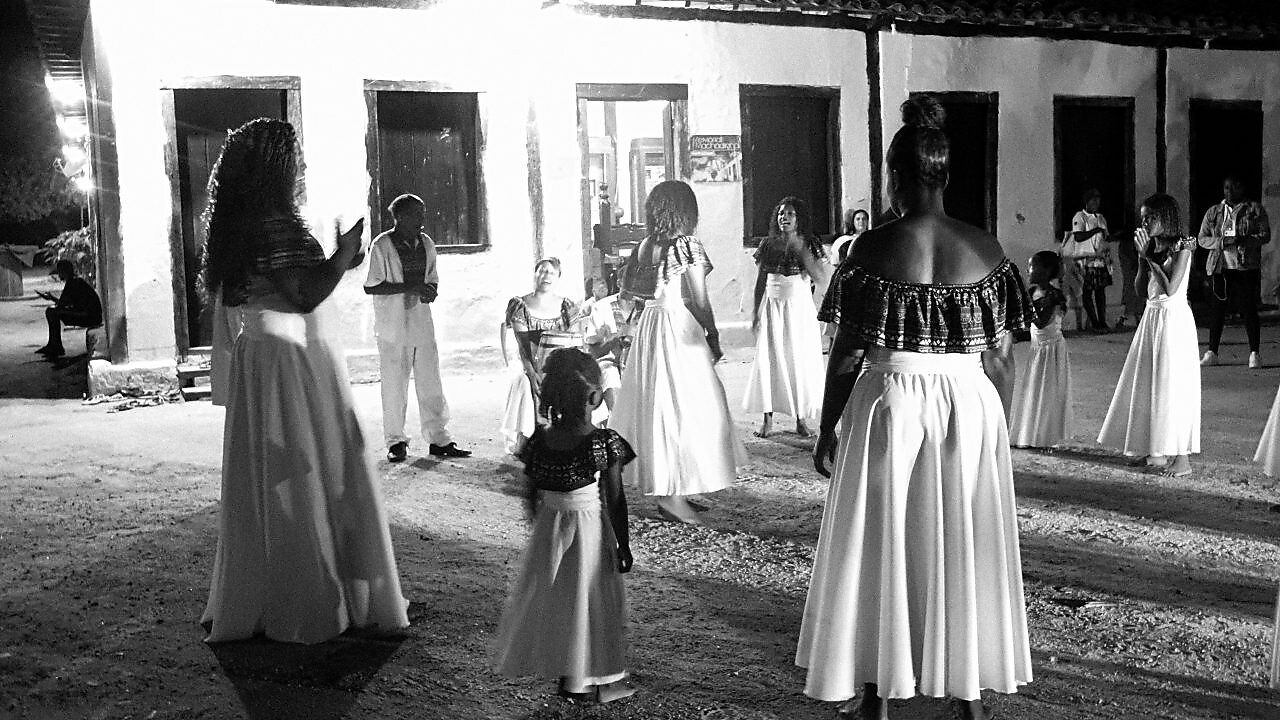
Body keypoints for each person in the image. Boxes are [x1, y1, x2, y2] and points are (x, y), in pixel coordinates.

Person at [799, 97, 1033, 720]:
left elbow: (848, 355)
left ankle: (879, 691)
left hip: (892, 401)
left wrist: (828, 427)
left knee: (884, 538)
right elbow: (1002, 358)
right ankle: (969, 697)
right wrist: (999, 428)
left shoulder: (869, 252)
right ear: (946, 177)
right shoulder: (987, 250)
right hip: (967, 402)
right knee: (963, 535)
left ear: (894, 177)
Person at [199, 118, 408, 644]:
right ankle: (309, 602)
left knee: (271, 478)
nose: (302, 167)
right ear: (277, 167)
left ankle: (266, 595)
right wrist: (342, 256)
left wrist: (340, 260)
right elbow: (303, 294)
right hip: (291, 360)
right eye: (294, 158)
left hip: (260, 356)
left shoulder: (239, 225)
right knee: (303, 473)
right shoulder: (276, 223)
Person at [492, 348, 636, 704]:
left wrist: (543, 526)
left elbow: (531, 490)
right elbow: (615, 498)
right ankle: (589, 682)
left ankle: (568, 675)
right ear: (595, 397)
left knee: (559, 601)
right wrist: (623, 544)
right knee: (592, 602)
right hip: (589, 530)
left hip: (551, 528)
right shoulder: (602, 443)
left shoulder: (540, 440)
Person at [609, 180, 744, 525]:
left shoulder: (643, 246)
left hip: (650, 327)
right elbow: (699, 299)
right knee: (691, 406)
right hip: (676, 327)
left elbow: (629, 294)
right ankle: (672, 497)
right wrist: (712, 334)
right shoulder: (687, 245)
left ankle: (675, 490)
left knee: (660, 406)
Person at [1097, 193, 1201, 477]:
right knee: (1149, 383)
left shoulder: (1184, 244)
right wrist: (1142, 260)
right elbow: (1142, 290)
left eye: (1150, 217)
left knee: (1173, 386)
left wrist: (1149, 256)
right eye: (1143, 217)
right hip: (1152, 317)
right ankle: (1155, 451)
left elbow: (1171, 287)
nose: (1144, 222)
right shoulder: (1152, 247)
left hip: (1173, 319)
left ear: (1165, 217)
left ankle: (1181, 458)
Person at [364, 193, 470, 462]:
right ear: (399, 217)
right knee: (394, 385)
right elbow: (371, 285)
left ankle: (438, 438)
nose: (421, 220)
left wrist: (430, 291)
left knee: (430, 381)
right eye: (415, 214)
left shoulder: (427, 243)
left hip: (421, 322)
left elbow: (432, 278)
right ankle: (396, 441)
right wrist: (408, 287)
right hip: (392, 326)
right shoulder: (382, 245)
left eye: (422, 214)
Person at [744, 196, 826, 438]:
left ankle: (801, 419)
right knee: (771, 358)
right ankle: (767, 420)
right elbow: (760, 281)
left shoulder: (808, 243)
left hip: (799, 307)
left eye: (789, 214)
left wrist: (803, 253)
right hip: (773, 306)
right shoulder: (768, 245)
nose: (784, 218)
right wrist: (755, 312)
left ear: (798, 218)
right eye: (781, 214)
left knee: (796, 359)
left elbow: (821, 278)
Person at [500, 257, 578, 455]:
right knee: (526, 383)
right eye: (542, 271)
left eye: (551, 272)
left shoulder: (566, 306)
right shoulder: (520, 305)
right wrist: (532, 371)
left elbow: (575, 339)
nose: (546, 276)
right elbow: (523, 345)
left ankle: (565, 437)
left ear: (558, 277)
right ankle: (524, 439)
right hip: (529, 360)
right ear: (535, 275)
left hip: (559, 361)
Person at [1197, 176, 1271, 369]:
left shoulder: (1253, 210)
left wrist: (1245, 240)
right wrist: (1220, 242)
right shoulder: (1215, 212)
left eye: (1233, 187)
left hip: (1245, 266)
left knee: (1248, 309)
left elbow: (1265, 235)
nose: (1229, 191)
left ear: (1241, 187)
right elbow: (1201, 238)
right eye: (1226, 187)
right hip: (1220, 267)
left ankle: (1255, 353)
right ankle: (1212, 352)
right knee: (1217, 310)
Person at [1010, 250, 1072, 448]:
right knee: (1033, 389)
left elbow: (1040, 320)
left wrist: (1019, 286)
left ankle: (1046, 436)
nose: (1028, 270)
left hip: (1051, 350)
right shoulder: (1032, 292)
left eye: (1032, 266)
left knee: (1048, 392)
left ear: (1045, 270)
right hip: (1037, 350)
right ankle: (1029, 434)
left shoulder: (1055, 296)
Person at [583, 287, 641, 417]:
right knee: (610, 373)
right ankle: (616, 423)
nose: (634, 283)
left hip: (639, 365)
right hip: (610, 364)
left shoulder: (646, 307)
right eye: (629, 277)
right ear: (620, 281)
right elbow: (593, 353)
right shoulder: (601, 307)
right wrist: (618, 337)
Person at [35, 259, 102, 357]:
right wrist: (52, 298)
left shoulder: (72, 283)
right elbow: (66, 303)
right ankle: (53, 344)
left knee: (51, 312)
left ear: (64, 271)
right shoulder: (76, 281)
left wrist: (51, 299)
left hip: (89, 317)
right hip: (91, 315)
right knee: (53, 312)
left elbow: (62, 305)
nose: (58, 275)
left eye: (59, 272)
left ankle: (55, 346)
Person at [1069, 188, 1114, 332]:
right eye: (1093, 200)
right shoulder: (1080, 216)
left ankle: (1102, 321)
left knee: (1100, 292)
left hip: (1100, 259)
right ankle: (1094, 322)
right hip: (1085, 260)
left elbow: (1105, 237)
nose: (1096, 203)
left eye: (1098, 200)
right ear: (1087, 202)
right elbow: (1078, 236)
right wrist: (1096, 231)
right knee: (1087, 292)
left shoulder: (1101, 218)